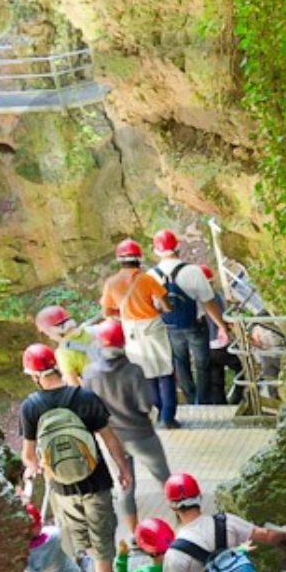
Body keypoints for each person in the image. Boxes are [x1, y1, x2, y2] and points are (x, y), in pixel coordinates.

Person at [18, 343, 131, 572]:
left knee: (86, 542)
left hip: (62, 489)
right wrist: (123, 469)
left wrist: (36, 469)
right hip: (97, 481)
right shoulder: (84, 397)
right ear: (57, 365)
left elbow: (28, 456)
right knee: (104, 539)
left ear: (34, 375)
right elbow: (110, 439)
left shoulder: (31, 406)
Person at [80, 319, 175, 538]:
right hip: (141, 435)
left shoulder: (89, 373)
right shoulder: (133, 371)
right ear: (122, 343)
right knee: (164, 478)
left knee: (125, 486)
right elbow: (145, 405)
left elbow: (89, 408)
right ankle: (183, 519)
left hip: (111, 438)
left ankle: (134, 535)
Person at [151, 228, 233, 413]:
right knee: (202, 364)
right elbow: (208, 302)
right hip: (195, 325)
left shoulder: (151, 276)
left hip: (170, 327)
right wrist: (221, 326)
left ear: (156, 250)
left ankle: (190, 399)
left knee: (180, 363)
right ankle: (202, 402)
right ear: (178, 247)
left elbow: (151, 306)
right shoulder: (193, 271)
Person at [99, 238, 177, 427]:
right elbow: (167, 305)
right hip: (152, 326)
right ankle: (168, 417)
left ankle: (159, 411)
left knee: (146, 372)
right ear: (139, 259)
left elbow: (107, 312)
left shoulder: (111, 283)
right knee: (165, 370)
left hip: (131, 329)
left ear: (119, 260)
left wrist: (124, 312)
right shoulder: (147, 279)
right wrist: (157, 308)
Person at [34, 305, 92, 386]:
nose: (50, 337)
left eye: (47, 333)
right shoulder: (94, 330)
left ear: (54, 331)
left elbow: (74, 387)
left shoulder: (63, 353)